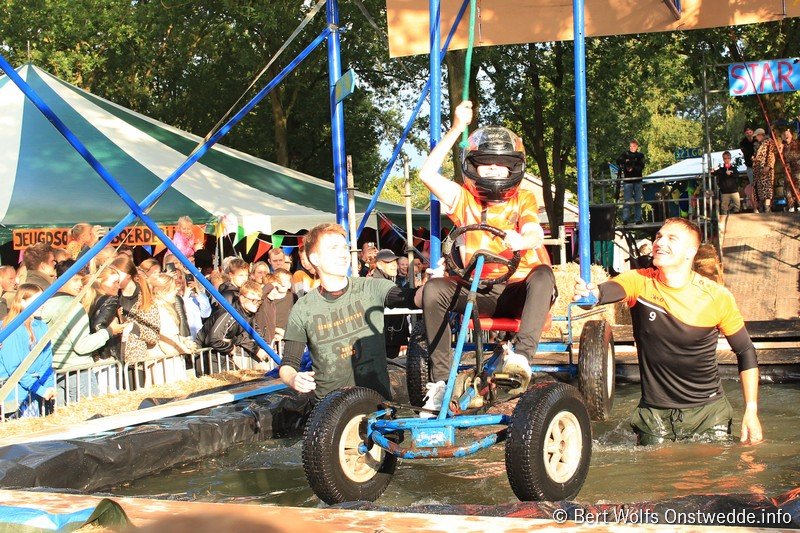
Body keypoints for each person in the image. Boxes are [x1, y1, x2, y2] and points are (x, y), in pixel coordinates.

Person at [416, 100, 556, 416]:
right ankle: (440, 384)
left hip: (521, 292)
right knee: (434, 289)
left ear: (513, 168)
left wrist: (522, 239)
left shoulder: (524, 198)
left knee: (543, 273)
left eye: (500, 164)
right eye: (485, 163)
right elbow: (427, 173)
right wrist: (456, 128)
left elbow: (534, 233)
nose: (493, 169)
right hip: (480, 291)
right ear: (473, 166)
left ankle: (521, 360)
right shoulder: (463, 199)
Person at [573, 218, 762, 445]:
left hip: (709, 413)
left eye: (671, 238)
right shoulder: (639, 281)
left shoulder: (717, 297)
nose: (660, 243)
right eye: (659, 236)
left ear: (690, 252)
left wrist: (751, 410)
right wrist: (591, 294)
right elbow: (606, 292)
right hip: (654, 414)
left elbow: (745, 351)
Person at [279, 223, 418, 402]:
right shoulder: (303, 308)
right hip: (331, 411)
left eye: (345, 247)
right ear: (315, 258)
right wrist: (293, 378)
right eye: (333, 248)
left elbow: (411, 297)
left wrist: (434, 285)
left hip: (377, 407)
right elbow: (288, 364)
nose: (343, 254)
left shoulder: (371, 288)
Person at [40, 260, 124, 405]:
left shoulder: (46, 304)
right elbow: (82, 346)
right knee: (89, 415)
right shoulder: (74, 307)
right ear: (62, 279)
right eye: (75, 280)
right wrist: (109, 331)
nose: (80, 284)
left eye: (81, 279)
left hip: (55, 371)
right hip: (78, 371)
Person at [0, 284, 55, 418]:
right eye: (38, 300)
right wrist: (40, 389)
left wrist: (48, 386)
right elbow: (14, 367)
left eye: (44, 299)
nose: (42, 304)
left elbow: (47, 361)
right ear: (22, 302)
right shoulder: (9, 327)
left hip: (36, 393)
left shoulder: (42, 326)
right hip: (13, 396)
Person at [196, 280, 269, 372]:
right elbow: (213, 340)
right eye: (253, 300)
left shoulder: (249, 314)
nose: (257, 304)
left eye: (259, 301)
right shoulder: (230, 314)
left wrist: (263, 346)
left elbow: (247, 335)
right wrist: (230, 347)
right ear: (242, 298)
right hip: (208, 357)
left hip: (222, 354)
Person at [369, 249, 409, 359]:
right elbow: (397, 299)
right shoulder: (377, 282)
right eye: (388, 262)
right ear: (379, 265)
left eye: (394, 261)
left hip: (391, 334)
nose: (393, 265)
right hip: (385, 335)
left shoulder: (390, 279)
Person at [616, 139, 646, 224]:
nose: (631, 148)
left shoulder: (640, 155)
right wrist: (626, 162)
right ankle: (625, 219)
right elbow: (618, 160)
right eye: (630, 146)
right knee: (627, 201)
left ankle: (638, 219)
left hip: (637, 180)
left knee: (638, 201)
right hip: (628, 181)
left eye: (633, 146)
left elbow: (642, 166)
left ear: (637, 147)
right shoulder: (625, 154)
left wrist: (633, 166)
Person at [752, 127, 776, 213]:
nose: (755, 138)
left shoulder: (769, 142)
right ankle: (762, 208)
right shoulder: (758, 145)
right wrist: (754, 159)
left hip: (766, 169)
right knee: (760, 190)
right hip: (758, 170)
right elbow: (758, 156)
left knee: (767, 189)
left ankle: (767, 208)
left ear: (761, 135)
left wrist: (768, 166)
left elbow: (771, 154)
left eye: (756, 136)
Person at [713, 151, 741, 215]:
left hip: (734, 191)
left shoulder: (734, 168)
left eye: (728, 158)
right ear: (723, 159)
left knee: (737, 207)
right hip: (724, 192)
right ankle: (725, 220)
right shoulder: (721, 169)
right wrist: (711, 171)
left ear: (730, 159)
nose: (726, 160)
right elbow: (714, 173)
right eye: (725, 158)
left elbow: (737, 175)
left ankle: (735, 218)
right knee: (724, 209)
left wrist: (731, 174)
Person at [781, 128, 800, 212]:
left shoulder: (797, 143)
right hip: (787, 168)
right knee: (788, 186)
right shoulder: (782, 145)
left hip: (797, 167)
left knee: (798, 185)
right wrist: (780, 148)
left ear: (792, 135)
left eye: (788, 134)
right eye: (785, 134)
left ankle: (799, 203)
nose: (786, 135)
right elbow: (779, 156)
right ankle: (791, 205)